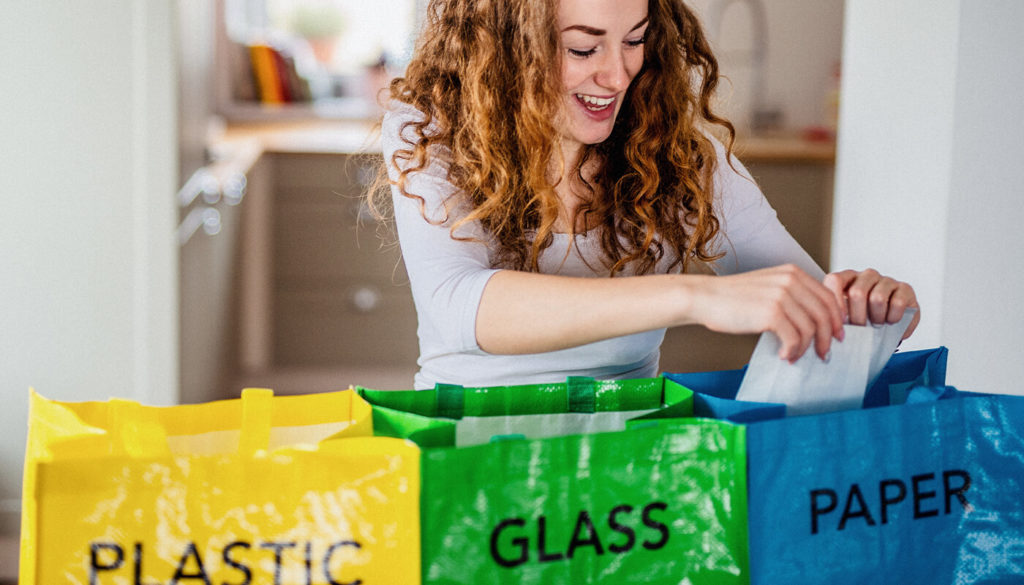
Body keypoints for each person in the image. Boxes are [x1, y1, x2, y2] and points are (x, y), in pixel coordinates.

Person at [375, 0, 919, 390]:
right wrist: (695, 297)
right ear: (505, 47)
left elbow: (811, 309)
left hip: (628, 474)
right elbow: (459, 306)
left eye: (634, 39)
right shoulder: (428, 132)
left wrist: (868, 310)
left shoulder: (680, 155)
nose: (616, 75)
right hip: (471, 452)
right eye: (583, 48)